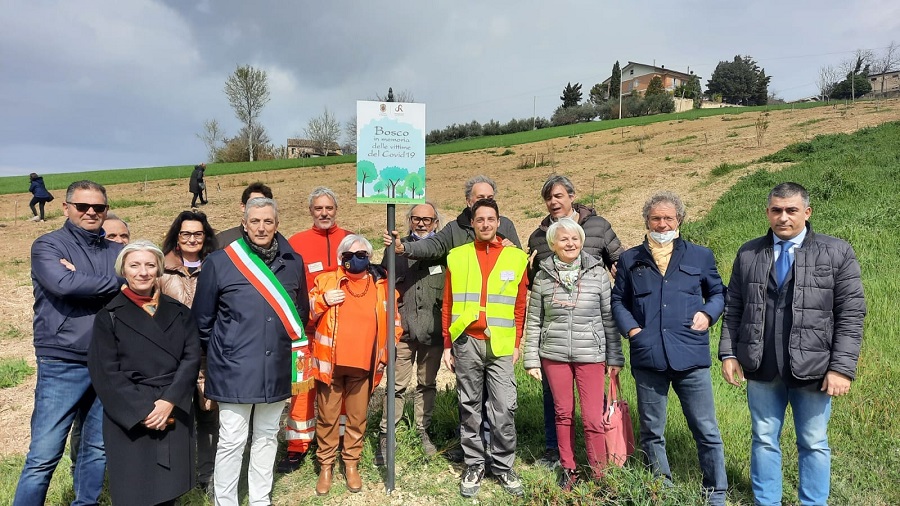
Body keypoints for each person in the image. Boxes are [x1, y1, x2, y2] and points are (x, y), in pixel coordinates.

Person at [719, 182, 866, 506]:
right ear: (768, 212)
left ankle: (813, 503)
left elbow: (851, 313)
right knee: (763, 439)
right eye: (776, 210)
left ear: (807, 212)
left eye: (791, 210)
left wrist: (841, 368)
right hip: (761, 365)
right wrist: (729, 352)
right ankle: (766, 501)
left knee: (813, 442)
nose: (783, 217)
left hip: (813, 368)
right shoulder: (749, 253)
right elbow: (734, 307)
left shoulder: (836, 252)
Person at [610, 191, 728, 505]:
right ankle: (661, 489)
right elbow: (618, 302)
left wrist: (708, 313)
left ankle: (716, 491)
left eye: (668, 218)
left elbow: (718, 293)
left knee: (706, 429)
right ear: (646, 222)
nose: (662, 224)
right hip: (648, 357)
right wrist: (633, 330)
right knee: (651, 430)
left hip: (690, 355)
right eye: (656, 219)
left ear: (679, 221)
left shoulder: (699, 255)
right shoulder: (629, 259)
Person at [192, 197, 309, 506]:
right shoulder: (220, 262)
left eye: (267, 221)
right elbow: (202, 321)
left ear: (277, 224)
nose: (261, 227)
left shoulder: (293, 262)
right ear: (244, 224)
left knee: (268, 436)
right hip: (234, 369)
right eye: (254, 221)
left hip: (277, 368)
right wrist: (222, 355)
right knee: (232, 439)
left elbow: (301, 314)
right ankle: (226, 501)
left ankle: (260, 498)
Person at [14, 180, 123, 506]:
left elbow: (142, 283)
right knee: (44, 454)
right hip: (63, 360)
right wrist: (117, 281)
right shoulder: (48, 246)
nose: (91, 212)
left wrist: (87, 280)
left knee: (96, 448)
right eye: (83, 206)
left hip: (107, 360)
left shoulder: (117, 251)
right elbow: (63, 285)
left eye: (98, 207)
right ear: (66, 208)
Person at [88, 240, 201, 506]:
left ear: (159, 270)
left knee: (168, 490)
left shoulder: (180, 312)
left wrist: (169, 401)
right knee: (134, 490)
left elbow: (191, 357)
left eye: (150, 265)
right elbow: (105, 372)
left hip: (172, 406)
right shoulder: (109, 316)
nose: (143, 272)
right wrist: (144, 411)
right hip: (131, 412)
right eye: (134, 265)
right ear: (123, 270)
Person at [525, 174, 624, 467]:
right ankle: (558, 456)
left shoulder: (598, 227)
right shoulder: (537, 237)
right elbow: (534, 303)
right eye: (549, 198)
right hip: (554, 345)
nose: (554, 202)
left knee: (592, 413)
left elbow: (618, 263)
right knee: (559, 409)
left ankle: (599, 470)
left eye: (558, 196)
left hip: (589, 344)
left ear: (571, 195)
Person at [442, 199, 528, 498]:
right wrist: (447, 345)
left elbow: (520, 305)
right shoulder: (457, 256)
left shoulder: (516, 258)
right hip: (466, 342)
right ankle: (474, 464)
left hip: (502, 343)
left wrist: (517, 343)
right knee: (470, 405)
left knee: (503, 406)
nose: (486, 224)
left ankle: (503, 465)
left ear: (498, 221)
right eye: (480, 219)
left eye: (491, 219)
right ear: (473, 223)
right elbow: (449, 303)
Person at [308, 235, 401, 496]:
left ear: (369, 257)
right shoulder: (326, 281)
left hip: (364, 366)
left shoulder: (382, 286)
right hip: (331, 366)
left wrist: (388, 347)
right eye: (349, 255)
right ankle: (325, 466)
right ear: (341, 258)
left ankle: (351, 464)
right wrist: (324, 300)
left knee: (357, 419)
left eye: (361, 254)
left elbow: (395, 322)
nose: (355, 259)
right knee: (327, 418)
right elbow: (308, 310)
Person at [280, 186, 350, 472]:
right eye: (319, 208)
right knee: (302, 389)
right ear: (311, 211)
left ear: (336, 210)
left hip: (342, 333)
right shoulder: (296, 243)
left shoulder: (349, 239)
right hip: (306, 333)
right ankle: (297, 446)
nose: (324, 213)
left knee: (341, 387)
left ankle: (344, 441)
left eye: (329, 208)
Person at [375, 202, 445, 465]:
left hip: (432, 331)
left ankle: (422, 431)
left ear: (436, 222)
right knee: (395, 386)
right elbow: (383, 284)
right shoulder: (395, 247)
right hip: (401, 332)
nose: (422, 223)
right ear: (409, 220)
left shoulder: (442, 250)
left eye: (428, 219)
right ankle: (386, 434)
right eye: (416, 218)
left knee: (427, 384)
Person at [159, 210, 219, 493]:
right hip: (173, 359)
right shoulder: (161, 269)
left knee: (209, 417)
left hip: (209, 357)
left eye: (198, 234)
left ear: (205, 236)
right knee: (179, 421)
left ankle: (208, 477)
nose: (192, 239)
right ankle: (179, 480)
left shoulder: (218, 265)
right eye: (186, 234)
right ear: (177, 236)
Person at [386, 175, 521, 258]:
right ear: (468, 201)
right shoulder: (454, 229)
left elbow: (519, 260)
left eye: (490, 197)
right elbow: (432, 245)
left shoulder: (506, 225)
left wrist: (512, 250)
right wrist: (404, 248)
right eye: (480, 197)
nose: (486, 201)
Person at [215, 182, 273, 248]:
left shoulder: (280, 244)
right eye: (253, 204)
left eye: (263, 204)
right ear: (243, 207)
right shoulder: (222, 242)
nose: (258, 209)